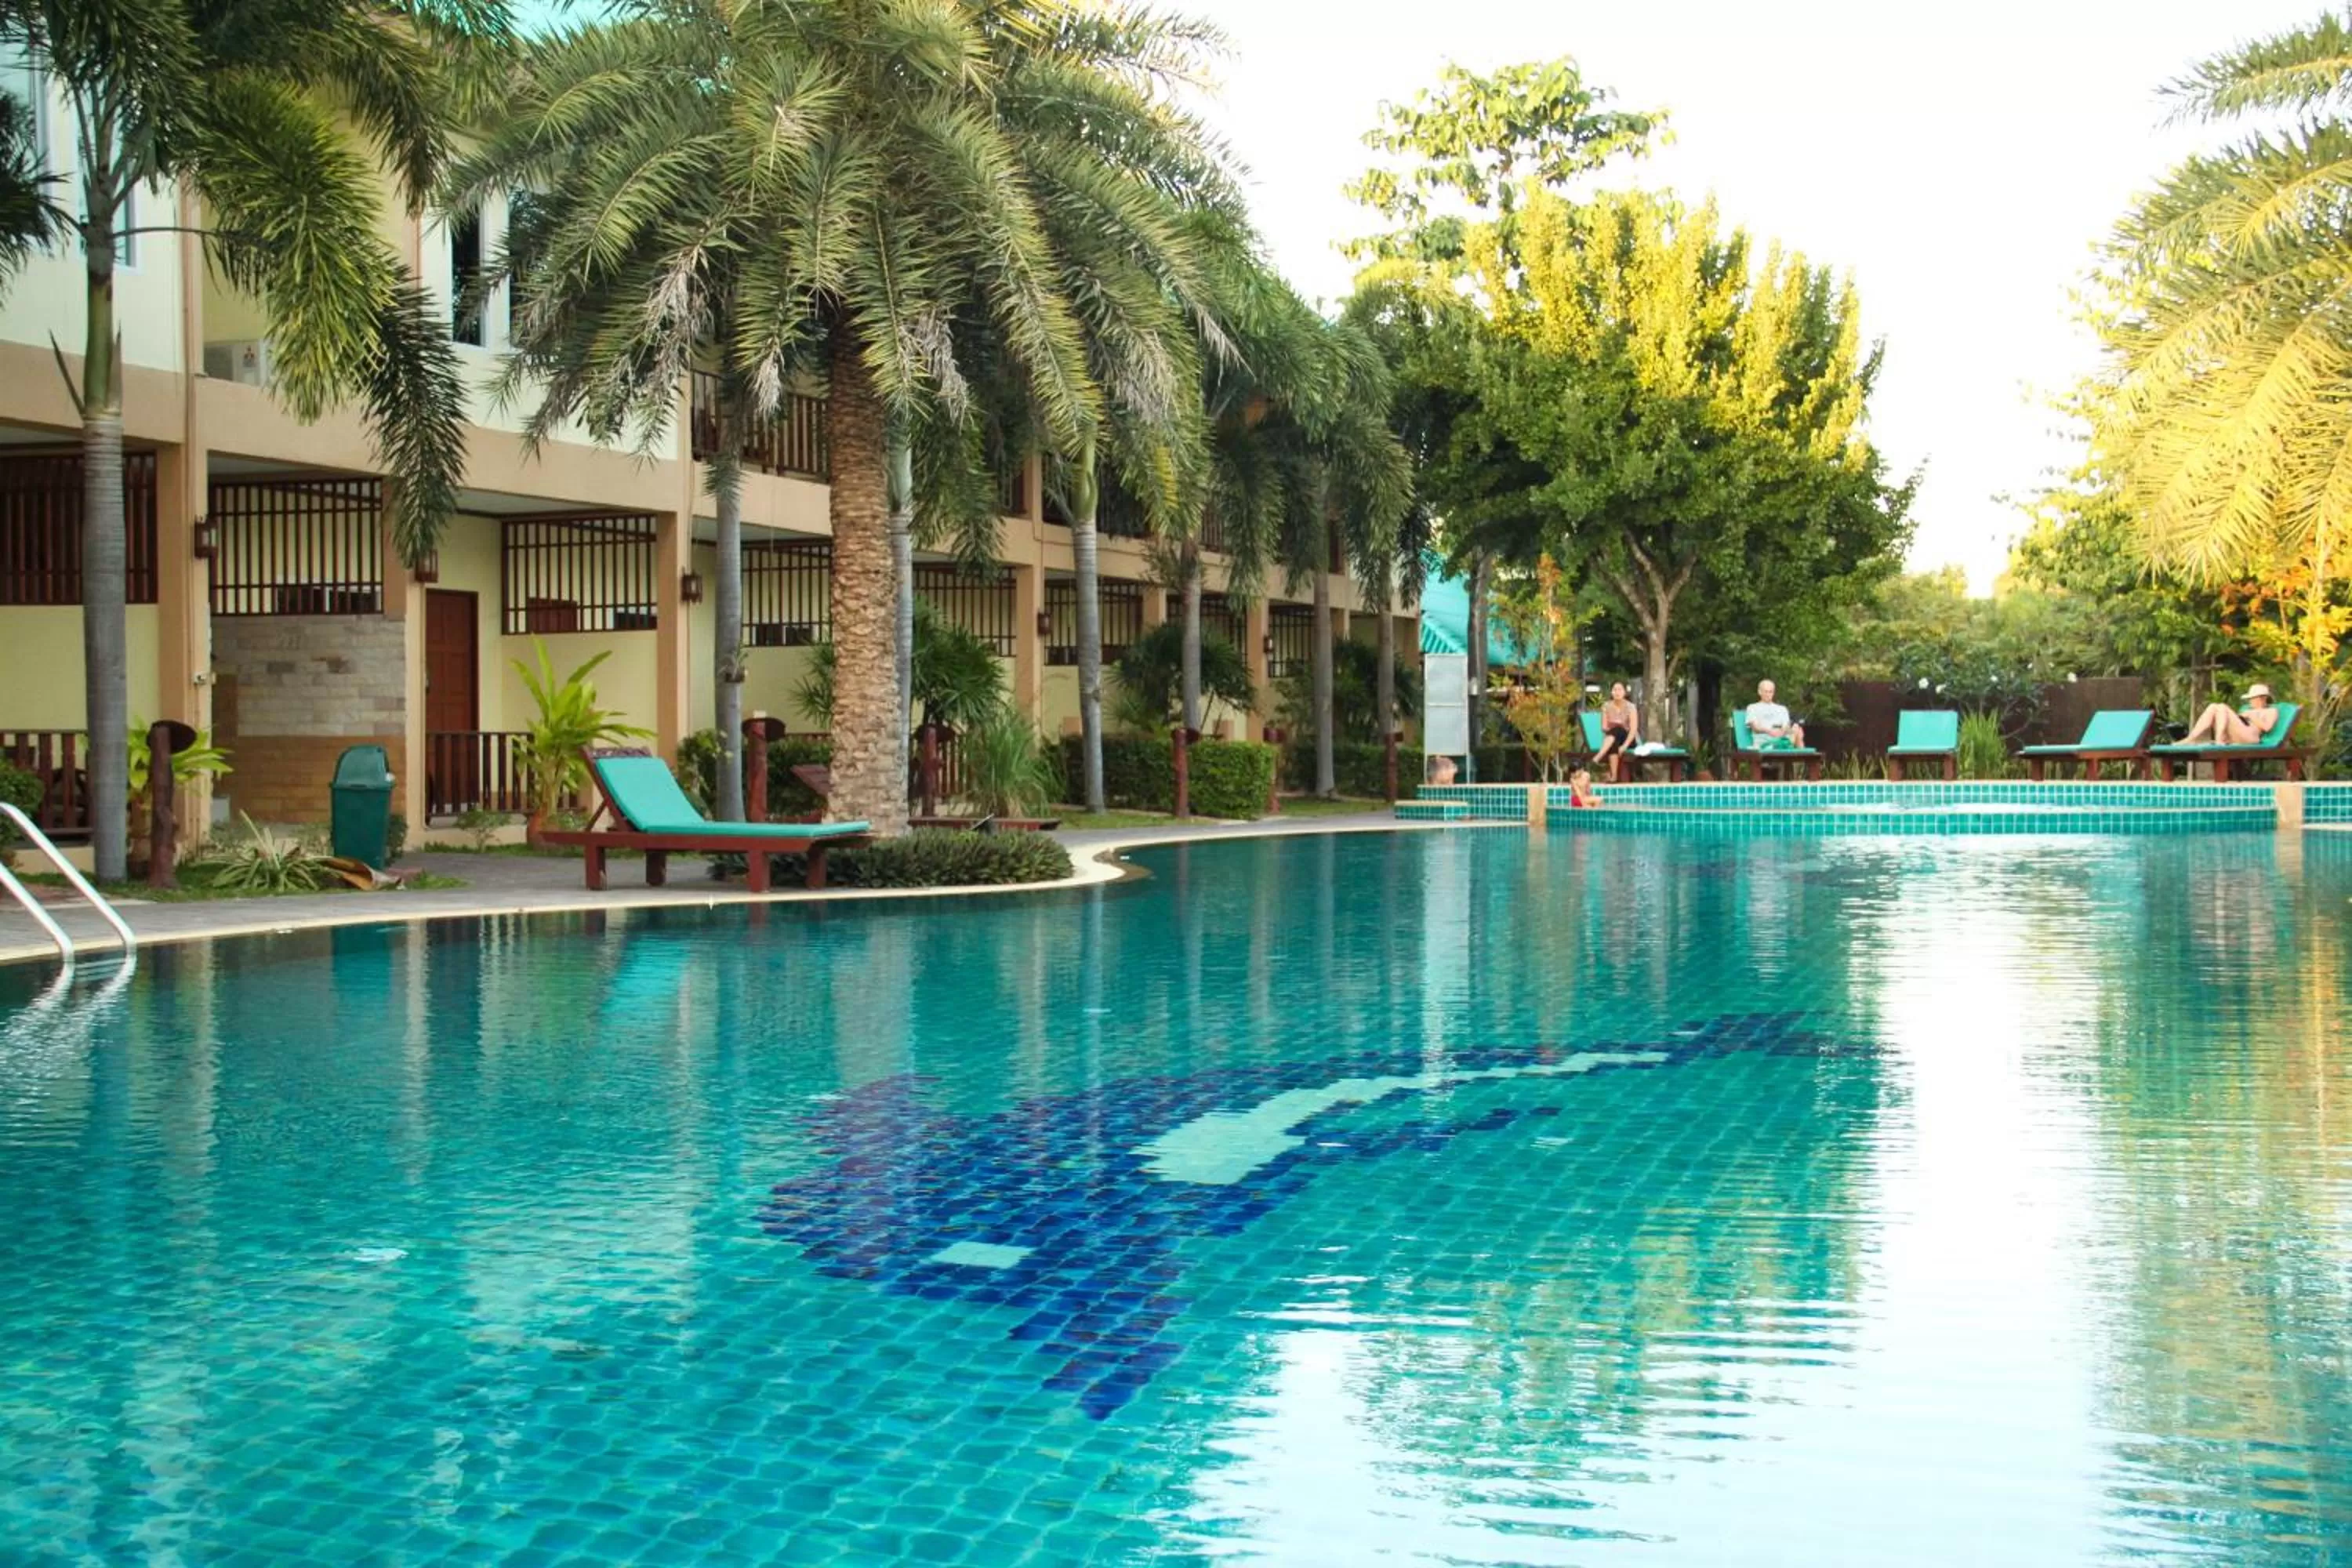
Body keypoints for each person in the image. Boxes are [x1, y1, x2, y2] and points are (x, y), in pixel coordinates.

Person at [2180, 684, 2280, 746]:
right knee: (2214, 706)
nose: (2250, 701)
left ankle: (2219, 739)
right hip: (2238, 734)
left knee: (2223, 707)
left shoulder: (2271, 711)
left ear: (2262, 698)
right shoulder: (2248, 709)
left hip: (2252, 737)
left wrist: (2250, 716)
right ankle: (2192, 738)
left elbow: (2267, 727)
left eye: (2252, 698)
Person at [1592, 682, 1639, 775]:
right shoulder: (1606, 706)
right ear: (1611, 692)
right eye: (1615, 690)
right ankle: (1613, 777)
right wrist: (1614, 724)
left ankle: (1598, 756)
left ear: (1624, 692)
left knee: (1618, 730)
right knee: (1615, 733)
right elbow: (1604, 728)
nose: (1617, 692)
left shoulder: (1631, 707)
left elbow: (1633, 729)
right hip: (1613, 738)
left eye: (1620, 690)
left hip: (1628, 740)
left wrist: (1624, 746)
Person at [1744, 680, 1805, 749]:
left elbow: (1786, 727)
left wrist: (1782, 732)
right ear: (1759, 692)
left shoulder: (1782, 709)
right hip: (1764, 742)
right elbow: (1755, 727)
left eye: (1770, 692)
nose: (1768, 695)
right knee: (1795, 735)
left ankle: (1790, 747)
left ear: (1773, 693)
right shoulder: (1752, 707)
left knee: (1797, 729)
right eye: (1766, 691)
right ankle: (1788, 747)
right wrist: (1770, 731)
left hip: (1781, 737)